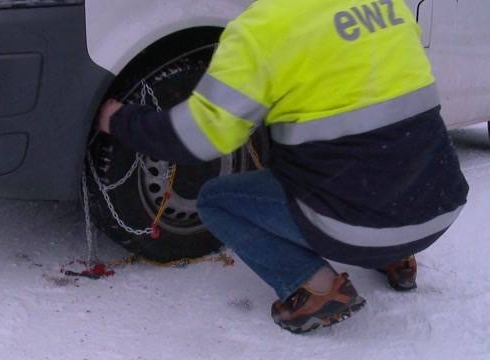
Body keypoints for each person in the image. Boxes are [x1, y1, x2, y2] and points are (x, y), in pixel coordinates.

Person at [96, 0, 469, 334]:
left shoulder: (263, 30)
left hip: (356, 225)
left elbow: (197, 139)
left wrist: (121, 120)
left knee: (217, 200)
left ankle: (315, 289)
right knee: (379, 153)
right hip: (435, 207)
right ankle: (395, 256)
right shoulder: (387, 5)